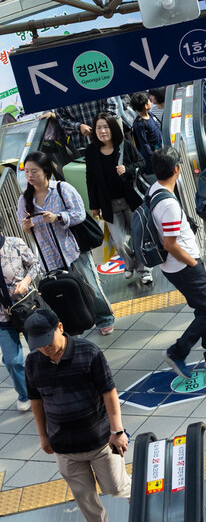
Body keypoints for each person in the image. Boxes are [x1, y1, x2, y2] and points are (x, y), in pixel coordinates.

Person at [24, 307, 130, 521]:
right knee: (85, 500)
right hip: (64, 447)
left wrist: (117, 430)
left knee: (116, 487)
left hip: (100, 442)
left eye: (47, 340)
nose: (44, 348)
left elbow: (108, 391)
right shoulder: (33, 362)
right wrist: (43, 435)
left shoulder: (88, 352)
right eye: (37, 344)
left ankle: (145, 498)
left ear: (60, 328)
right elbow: (36, 399)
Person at [149, 147, 206, 378]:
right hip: (183, 265)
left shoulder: (154, 189)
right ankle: (177, 352)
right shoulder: (168, 204)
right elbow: (170, 244)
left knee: (202, 308)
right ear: (177, 169)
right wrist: (192, 263)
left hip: (173, 266)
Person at [17, 152, 115, 335]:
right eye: (27, 172)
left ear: (45, 171)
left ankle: (105, 318)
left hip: (72, 249)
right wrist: (26, 226)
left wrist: (58, 217)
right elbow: (25, 228)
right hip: (48, 256)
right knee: (62, 291)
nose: (30, 176)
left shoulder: (62, 189)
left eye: (34, 171)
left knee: (90, 286)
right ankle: (73, 323)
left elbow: (79, 214)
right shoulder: (24, 200)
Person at [86, 113, 152, 285]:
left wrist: (127, 169)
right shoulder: (92, 151)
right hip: (109, 203)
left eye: (105, 127)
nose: (102, 131)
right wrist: (94, 204)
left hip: (131, 200)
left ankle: (144, 270)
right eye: (98, 127)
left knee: (138, 236)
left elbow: (142, 163)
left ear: (113, 128)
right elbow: (90, 178)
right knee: (119, 241)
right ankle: (130, 264)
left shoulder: (125, 146)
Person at [0, 234, 40, 412]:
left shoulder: (14, 244)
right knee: (11, 360)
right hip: (2, 317)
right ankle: (26, 393)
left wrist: (26, 281)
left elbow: (34, 264)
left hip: (25, 308)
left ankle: (46, 387)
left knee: (39, 350)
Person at [54, 98, 119, 151]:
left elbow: (112, 107)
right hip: (82, 142)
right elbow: (61, 117)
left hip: (107, 141)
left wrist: (99, 126)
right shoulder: (63, 93)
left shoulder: (95, 83)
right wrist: (79, 126)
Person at [129, 91, 163, 175]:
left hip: (160, 149)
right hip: (152, 158)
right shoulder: (139, 124)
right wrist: (152, 156)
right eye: (148, 101)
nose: (150, 101)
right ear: (145, 106)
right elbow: (144, 144)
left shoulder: (150, 115)